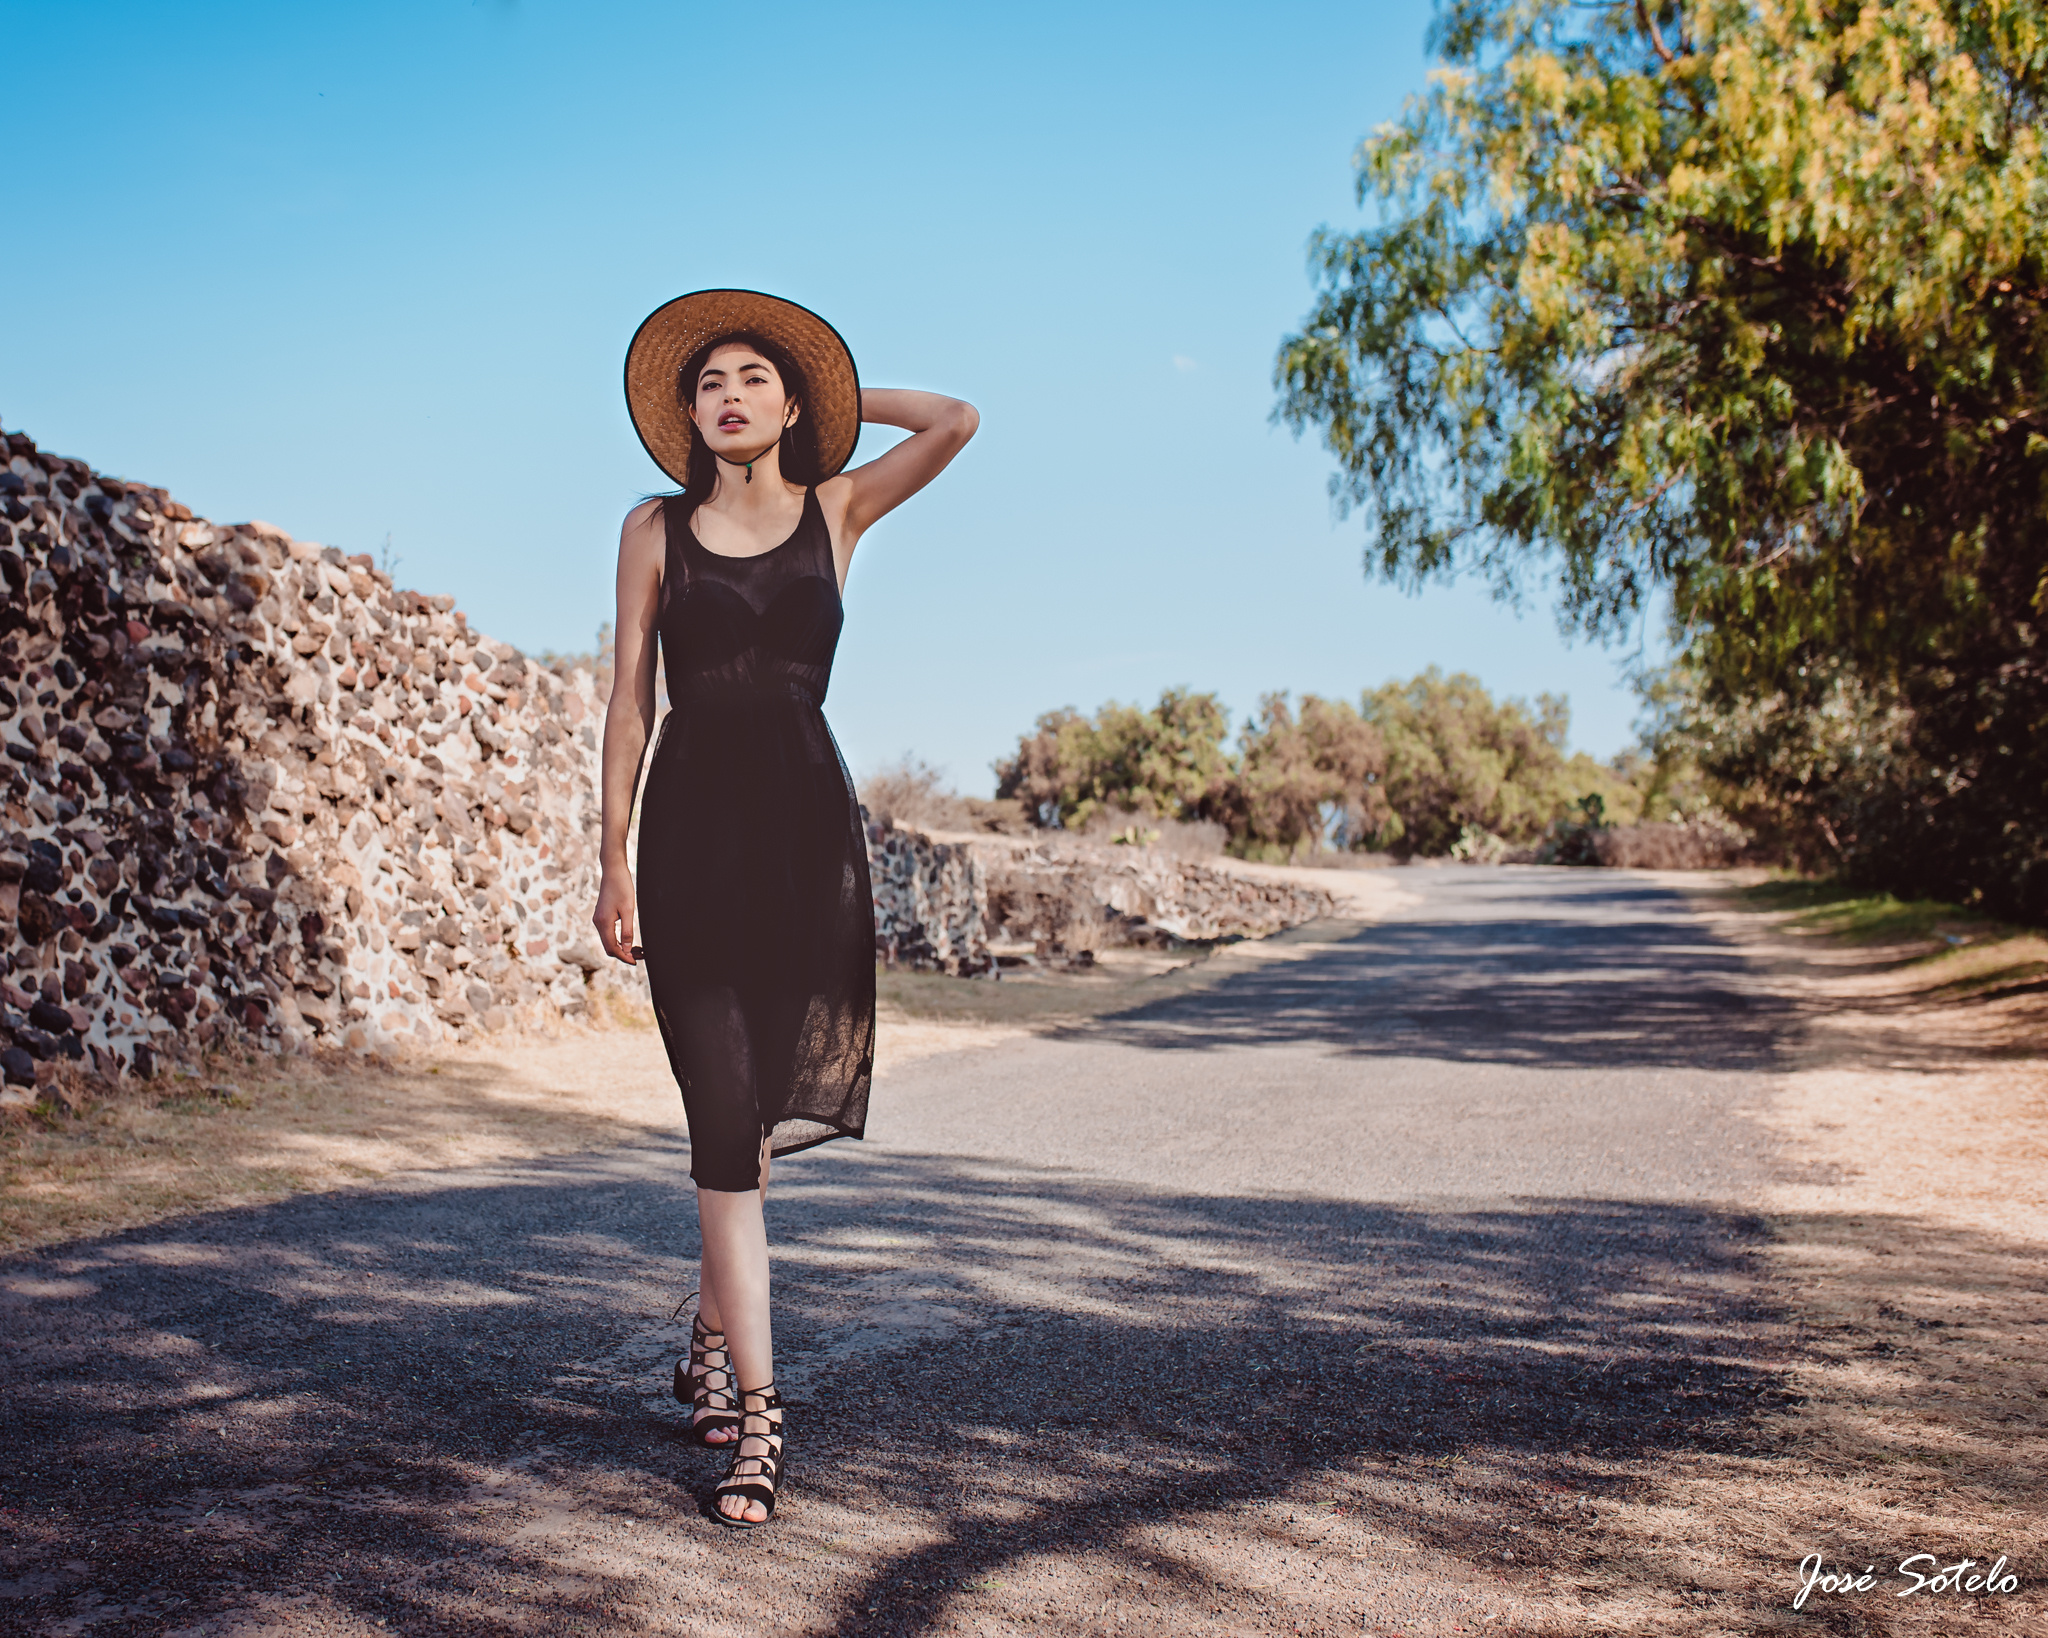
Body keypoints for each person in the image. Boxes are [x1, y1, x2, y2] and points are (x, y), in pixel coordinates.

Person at [594, 290, 977, 1528]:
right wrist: (609, 857)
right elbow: (628, 702)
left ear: (789, 403)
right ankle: (760, 1420)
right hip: (689, 837)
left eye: (755, 378)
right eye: (711, 383)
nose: (731, 396)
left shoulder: (837, 507)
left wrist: (834, 399)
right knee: (718, 1120)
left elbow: (958, 419)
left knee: (753, 1131)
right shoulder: (651, 528)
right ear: (687, 413)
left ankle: (709, 1342)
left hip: (809, 843)